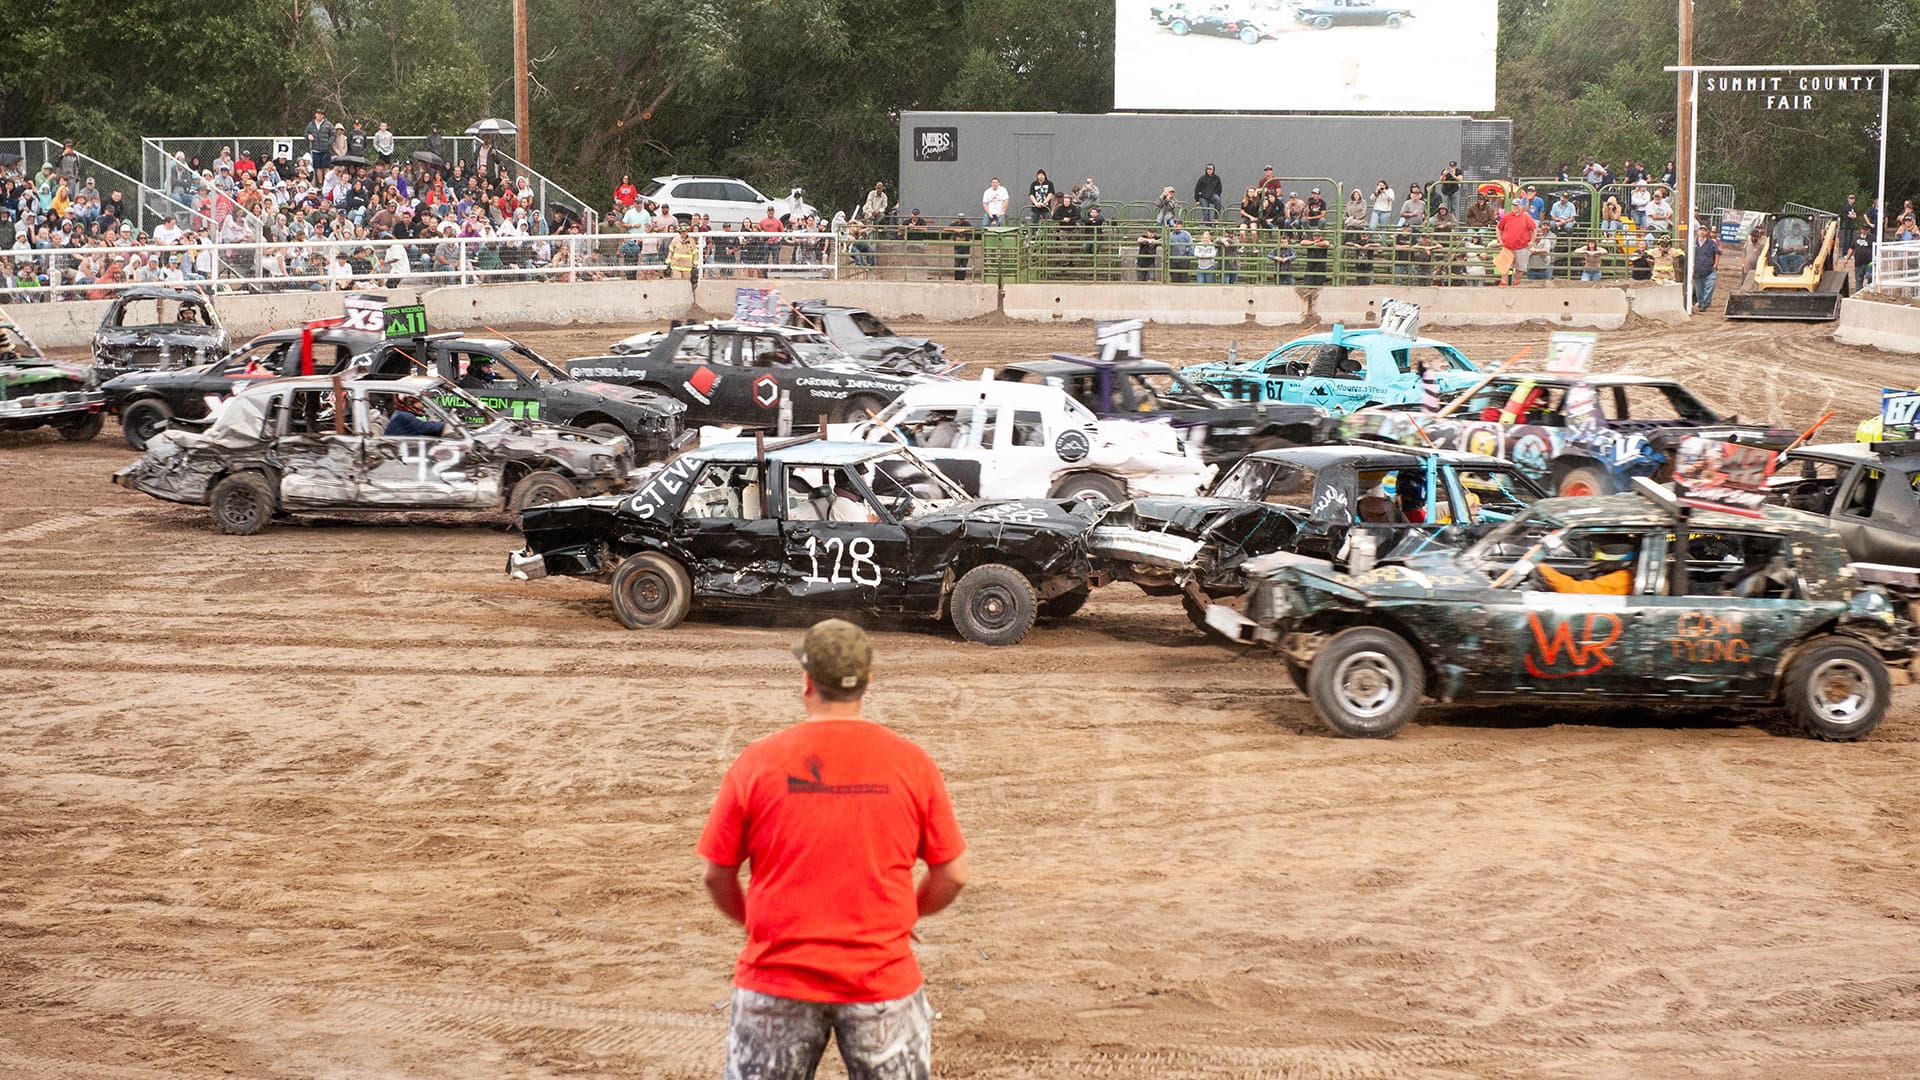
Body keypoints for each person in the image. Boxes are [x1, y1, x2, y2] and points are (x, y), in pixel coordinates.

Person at [700, 618, 967, 1080]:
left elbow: (716, 873)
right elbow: (954, 873)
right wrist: (905, 915)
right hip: (881, 979)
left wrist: (757, 926)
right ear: (867, 681)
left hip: (776, 977)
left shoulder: (758, 761)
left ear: (807, 682)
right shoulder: (911, 763)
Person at [1535, 540, 1635, 595]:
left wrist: (1543, 568)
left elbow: (1572, 589)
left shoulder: (1619, 580)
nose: (1594, 560)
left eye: (1598, 556)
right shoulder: (1626, 574)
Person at [1496, 197, 1536, 286]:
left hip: (1521, 246)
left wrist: (1532, 241)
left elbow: (1534, 229)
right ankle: (1504, 282)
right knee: (1504, 266)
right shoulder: (1507, 216)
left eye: (1516, 205)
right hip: (1508, 246)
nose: (1514, 207)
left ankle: (1516, 282)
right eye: (1513, 205)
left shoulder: (1526, 217)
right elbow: (1498, 228)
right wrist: (1500, 240)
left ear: (1520, 206)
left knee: (1520, 267)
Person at [1693, 228, 1720, 312]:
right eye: (1700, 230)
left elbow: (1717, 252)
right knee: (1699, 289)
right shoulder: (1693, 242)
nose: (1702, 232)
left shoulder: (1711, 242)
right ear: (1698, 231)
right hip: (1697, 269)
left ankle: (1705, 304)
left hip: (1709, 269)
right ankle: (1701, 302)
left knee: (1709, 287)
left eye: (1704, 230)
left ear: (1707, 232)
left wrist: (1716, 264)